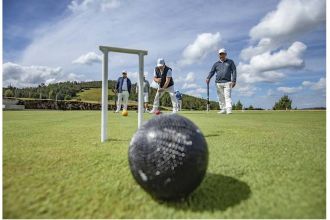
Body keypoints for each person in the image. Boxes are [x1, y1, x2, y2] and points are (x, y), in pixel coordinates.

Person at [206, 48, 236, 114]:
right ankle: (223, 109)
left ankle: (228, 109)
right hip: (218, 83)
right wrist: (208, 78)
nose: (221, 55)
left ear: (225, 54)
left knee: (227, 96)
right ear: (219, 55)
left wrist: (234, 80)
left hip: (227, 82)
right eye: (220, 54)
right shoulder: (216, 64)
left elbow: (234, 71)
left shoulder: (230, 62)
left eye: (223, 54)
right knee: (220, 97)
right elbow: (212, 72)